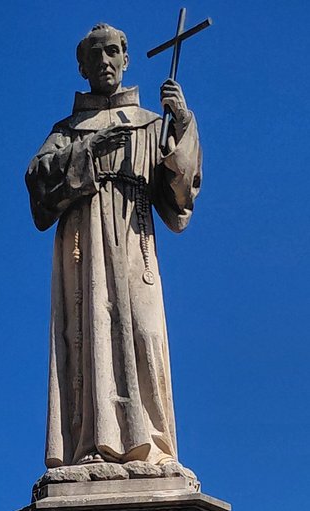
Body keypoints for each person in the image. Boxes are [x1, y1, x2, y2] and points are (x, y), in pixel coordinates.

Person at [26, 22, 202, 469]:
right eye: (95, 55)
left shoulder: (149, 124)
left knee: (145, 332)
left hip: (133, 241)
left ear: (126, 59)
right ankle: (91, 443)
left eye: (112, 53)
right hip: (83, 247)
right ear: (82, 68)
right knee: (89, 333)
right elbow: (38, 184)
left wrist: (181, 124)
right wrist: (89, 151)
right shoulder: (68, 130)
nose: (104, 61)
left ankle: (155, 447)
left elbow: (179, 201)